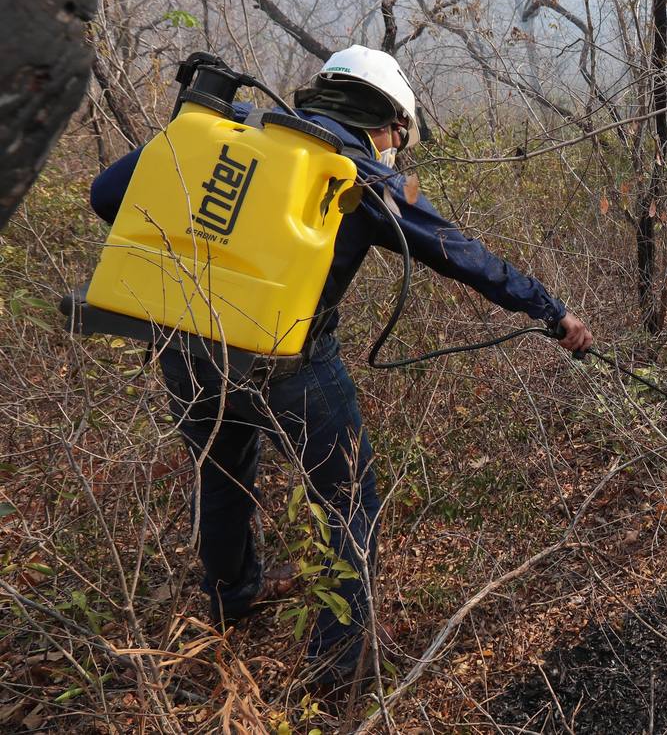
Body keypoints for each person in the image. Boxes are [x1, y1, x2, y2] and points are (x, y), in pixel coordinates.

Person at [88, 45, 592, 691]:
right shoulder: (355, 174)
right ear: (386, 123)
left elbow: (107, 195)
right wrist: (553, 315)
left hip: (184, 345)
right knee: (347, 497)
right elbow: (462, 256)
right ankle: (337, 666)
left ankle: (229, 602)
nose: (395, 150)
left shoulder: (225, 128)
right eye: (398, 138)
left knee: (222, 476)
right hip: (289, 363)